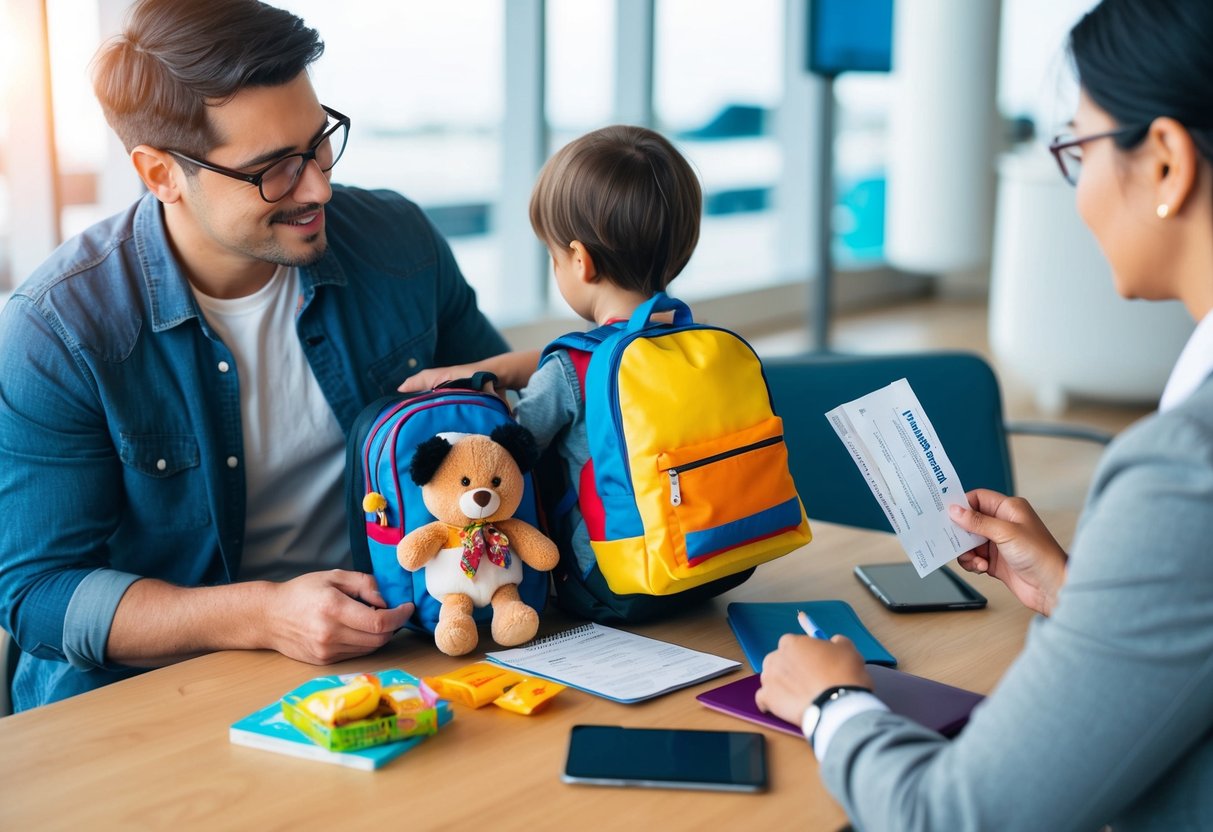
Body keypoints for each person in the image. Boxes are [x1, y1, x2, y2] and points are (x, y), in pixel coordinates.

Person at [755, 0, 1213, 828]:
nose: (1077, 198)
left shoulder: (1185, 470)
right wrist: (1079, 592)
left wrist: (830, 703)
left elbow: (963, 816)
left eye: (1078, 150)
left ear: (1167, 165)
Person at [0, 0, 525, 712]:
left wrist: (546, 365)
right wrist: (262, 614)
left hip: (400, 660)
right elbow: (39, 594)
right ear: (159, 174)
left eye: (318, 143)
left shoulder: (397, 241)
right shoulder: (58, 332)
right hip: (152, 700)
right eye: (273, 169)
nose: (318, 187)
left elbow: (505, 434)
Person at [403, 125, 702, 579]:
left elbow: (513, 452)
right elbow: (573, 359)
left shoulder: (572, 369)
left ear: (581, 262)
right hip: (705, 551)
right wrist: (491, 368)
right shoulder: (691, 343)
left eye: (553, 255)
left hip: (611, 577)